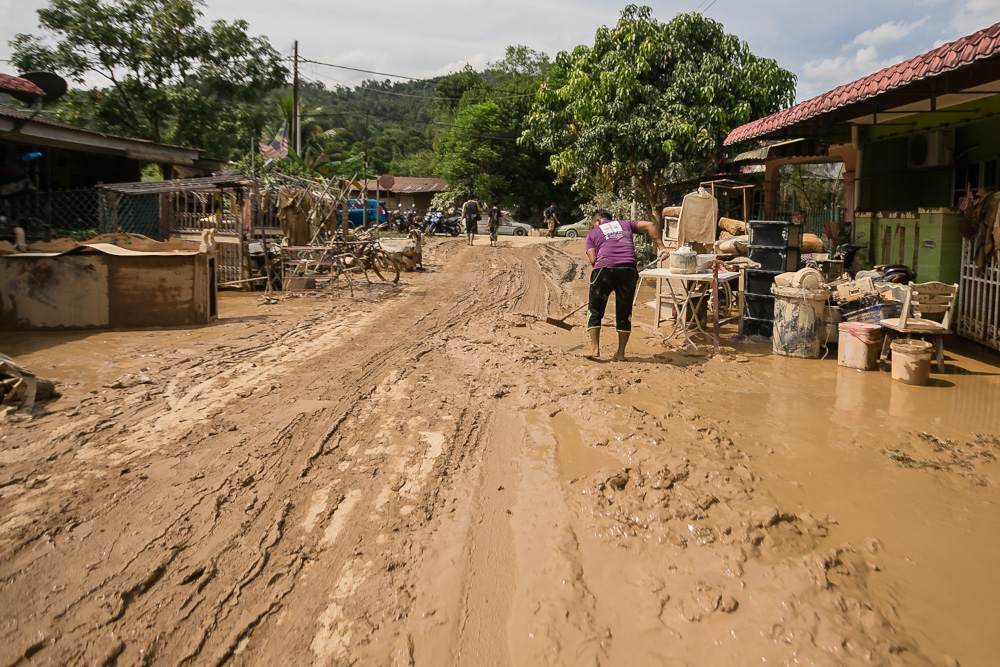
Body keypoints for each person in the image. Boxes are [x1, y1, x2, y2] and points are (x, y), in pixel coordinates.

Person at [584, 209, 668, 361]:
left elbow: (592, 259)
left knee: (595, 310)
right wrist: (661, 247)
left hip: (604, 268)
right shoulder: (626, 224)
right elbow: (649, 225)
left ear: (597, 222)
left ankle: (595, 349)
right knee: (624, 312)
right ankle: (620, 353)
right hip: (628, 269)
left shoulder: (592, 234)